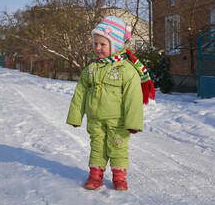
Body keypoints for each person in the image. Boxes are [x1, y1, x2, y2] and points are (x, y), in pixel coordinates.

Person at [66, 16, 154, 191]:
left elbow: (133, 98)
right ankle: (95, 174)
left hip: (118, 120)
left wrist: (133, 123)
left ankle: (119, 176)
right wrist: (76, 116)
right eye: (95, 44)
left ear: (114, 46)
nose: (97, 48)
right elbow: (80, 94)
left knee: (118, 146)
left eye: (102, 44)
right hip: (95, 118)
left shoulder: (126, 70)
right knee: (97, 145)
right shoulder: (91, 69)